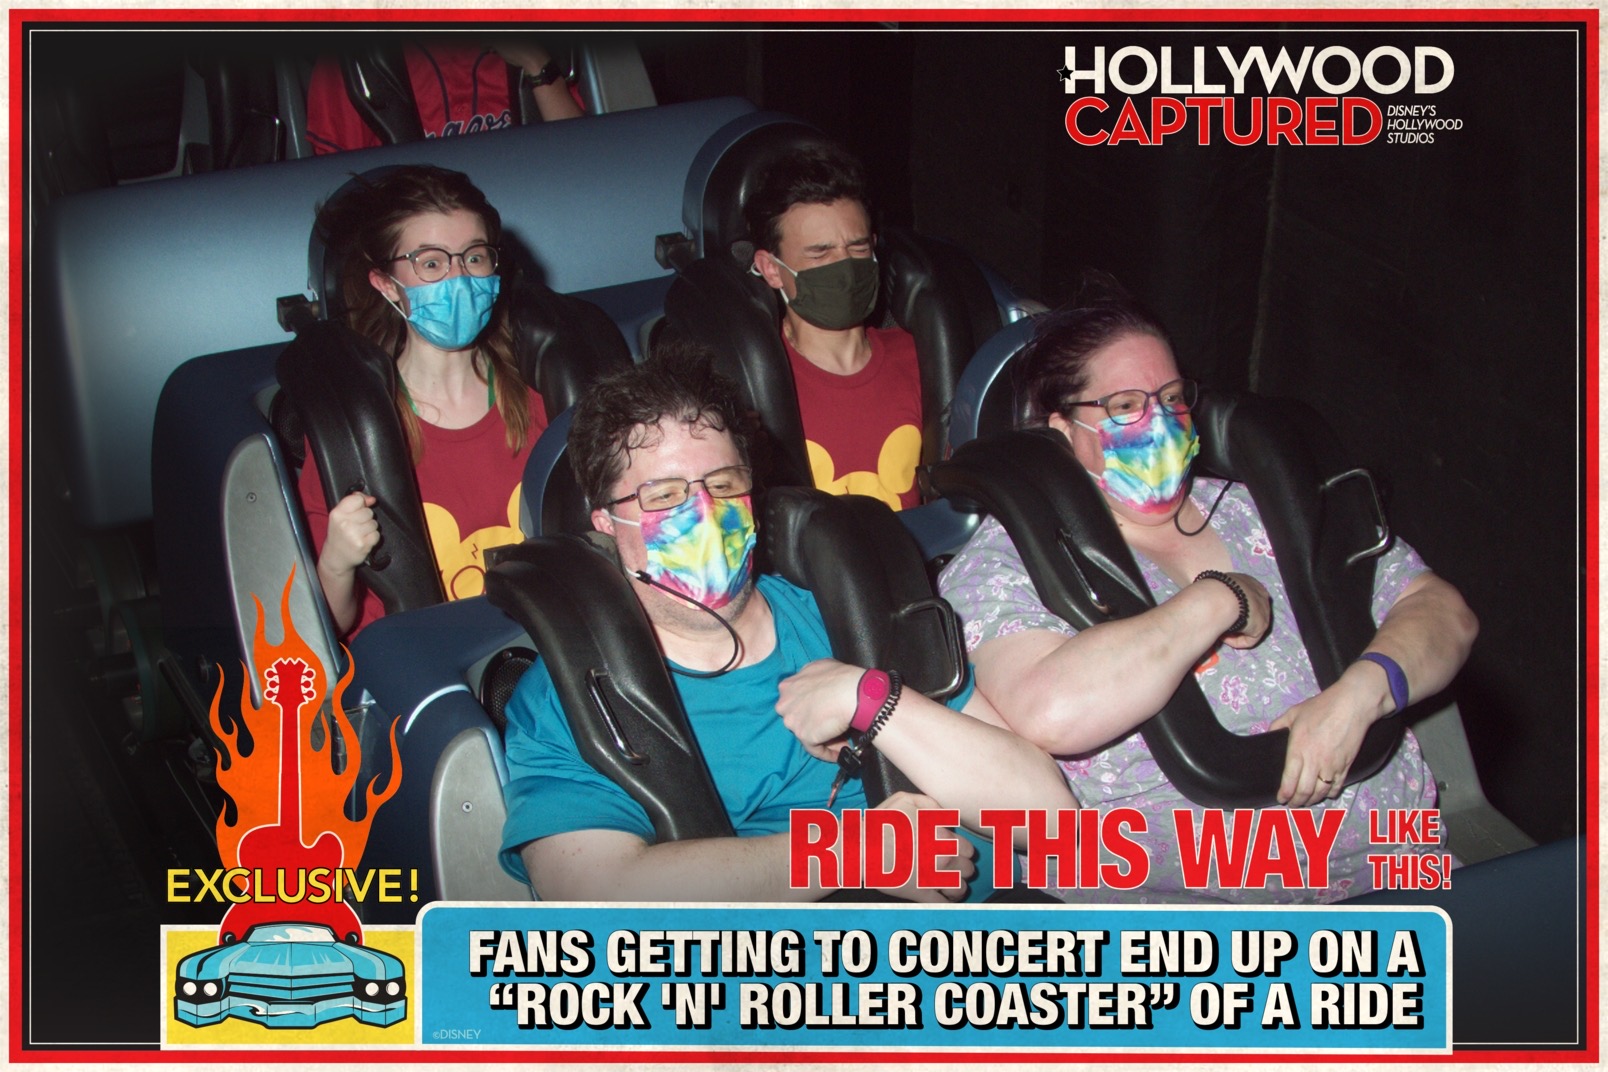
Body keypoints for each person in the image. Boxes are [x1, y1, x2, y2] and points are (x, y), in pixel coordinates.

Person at [938, 273, 1479, 904]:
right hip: (1193, 921)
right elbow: (1052, 711)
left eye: (1171, 398)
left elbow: (1442, 611)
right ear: (1061, 431)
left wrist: (1360, 696)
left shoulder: (1265, 507)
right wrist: (1218, 598)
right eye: (1125, 406)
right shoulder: (1005, 562)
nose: (1160, 423)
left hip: (1397, 865)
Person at [498, 345, 1072, 902]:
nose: (703, 512)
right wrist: (850, 851)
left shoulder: (853, 612)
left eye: (723, 484)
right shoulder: (570, 697)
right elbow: (597, 892)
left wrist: (871, 700)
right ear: (606, 521)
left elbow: (1049, 816)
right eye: (664, 495)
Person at [299, 164, 549, 636]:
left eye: (474, 257)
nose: (460, 278)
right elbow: (329, 628)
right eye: (432, 264)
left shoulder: (543, 395)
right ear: (386, 284)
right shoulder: (355, 432)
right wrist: (336, 562)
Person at [746, 144, 924, 511]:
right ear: (772, 269)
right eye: (820, 253)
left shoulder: (922, 355)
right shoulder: (756, 382)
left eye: (857, 248)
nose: (845, 268)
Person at [305, 38, 582, 156]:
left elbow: (581, 160)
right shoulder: (354, 61)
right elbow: (339, 197)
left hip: (530, 211)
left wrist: (536, 63)